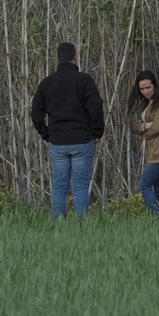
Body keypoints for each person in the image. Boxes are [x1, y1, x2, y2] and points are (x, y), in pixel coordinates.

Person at [30, 42, 105, 218]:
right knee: (80, 187)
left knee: (59, 186)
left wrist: (46, 133)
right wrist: (96, 132)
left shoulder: (47, 83)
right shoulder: (85, 80)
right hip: (82, 139)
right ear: (75, 56)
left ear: (57, 58)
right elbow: (95, 108)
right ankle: (80, 227)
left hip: (58, 141)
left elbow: (36, 113)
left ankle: (59, 225)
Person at [128, 70, 159, 216]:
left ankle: (157, 217)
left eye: (148, 87)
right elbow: (135, 126)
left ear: (155, 85)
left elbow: (157, 127)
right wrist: (145, 126)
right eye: (142, 89)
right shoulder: (146, 103)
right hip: (154, 147)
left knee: (144, 185)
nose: (145, 91)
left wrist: (145, 128)